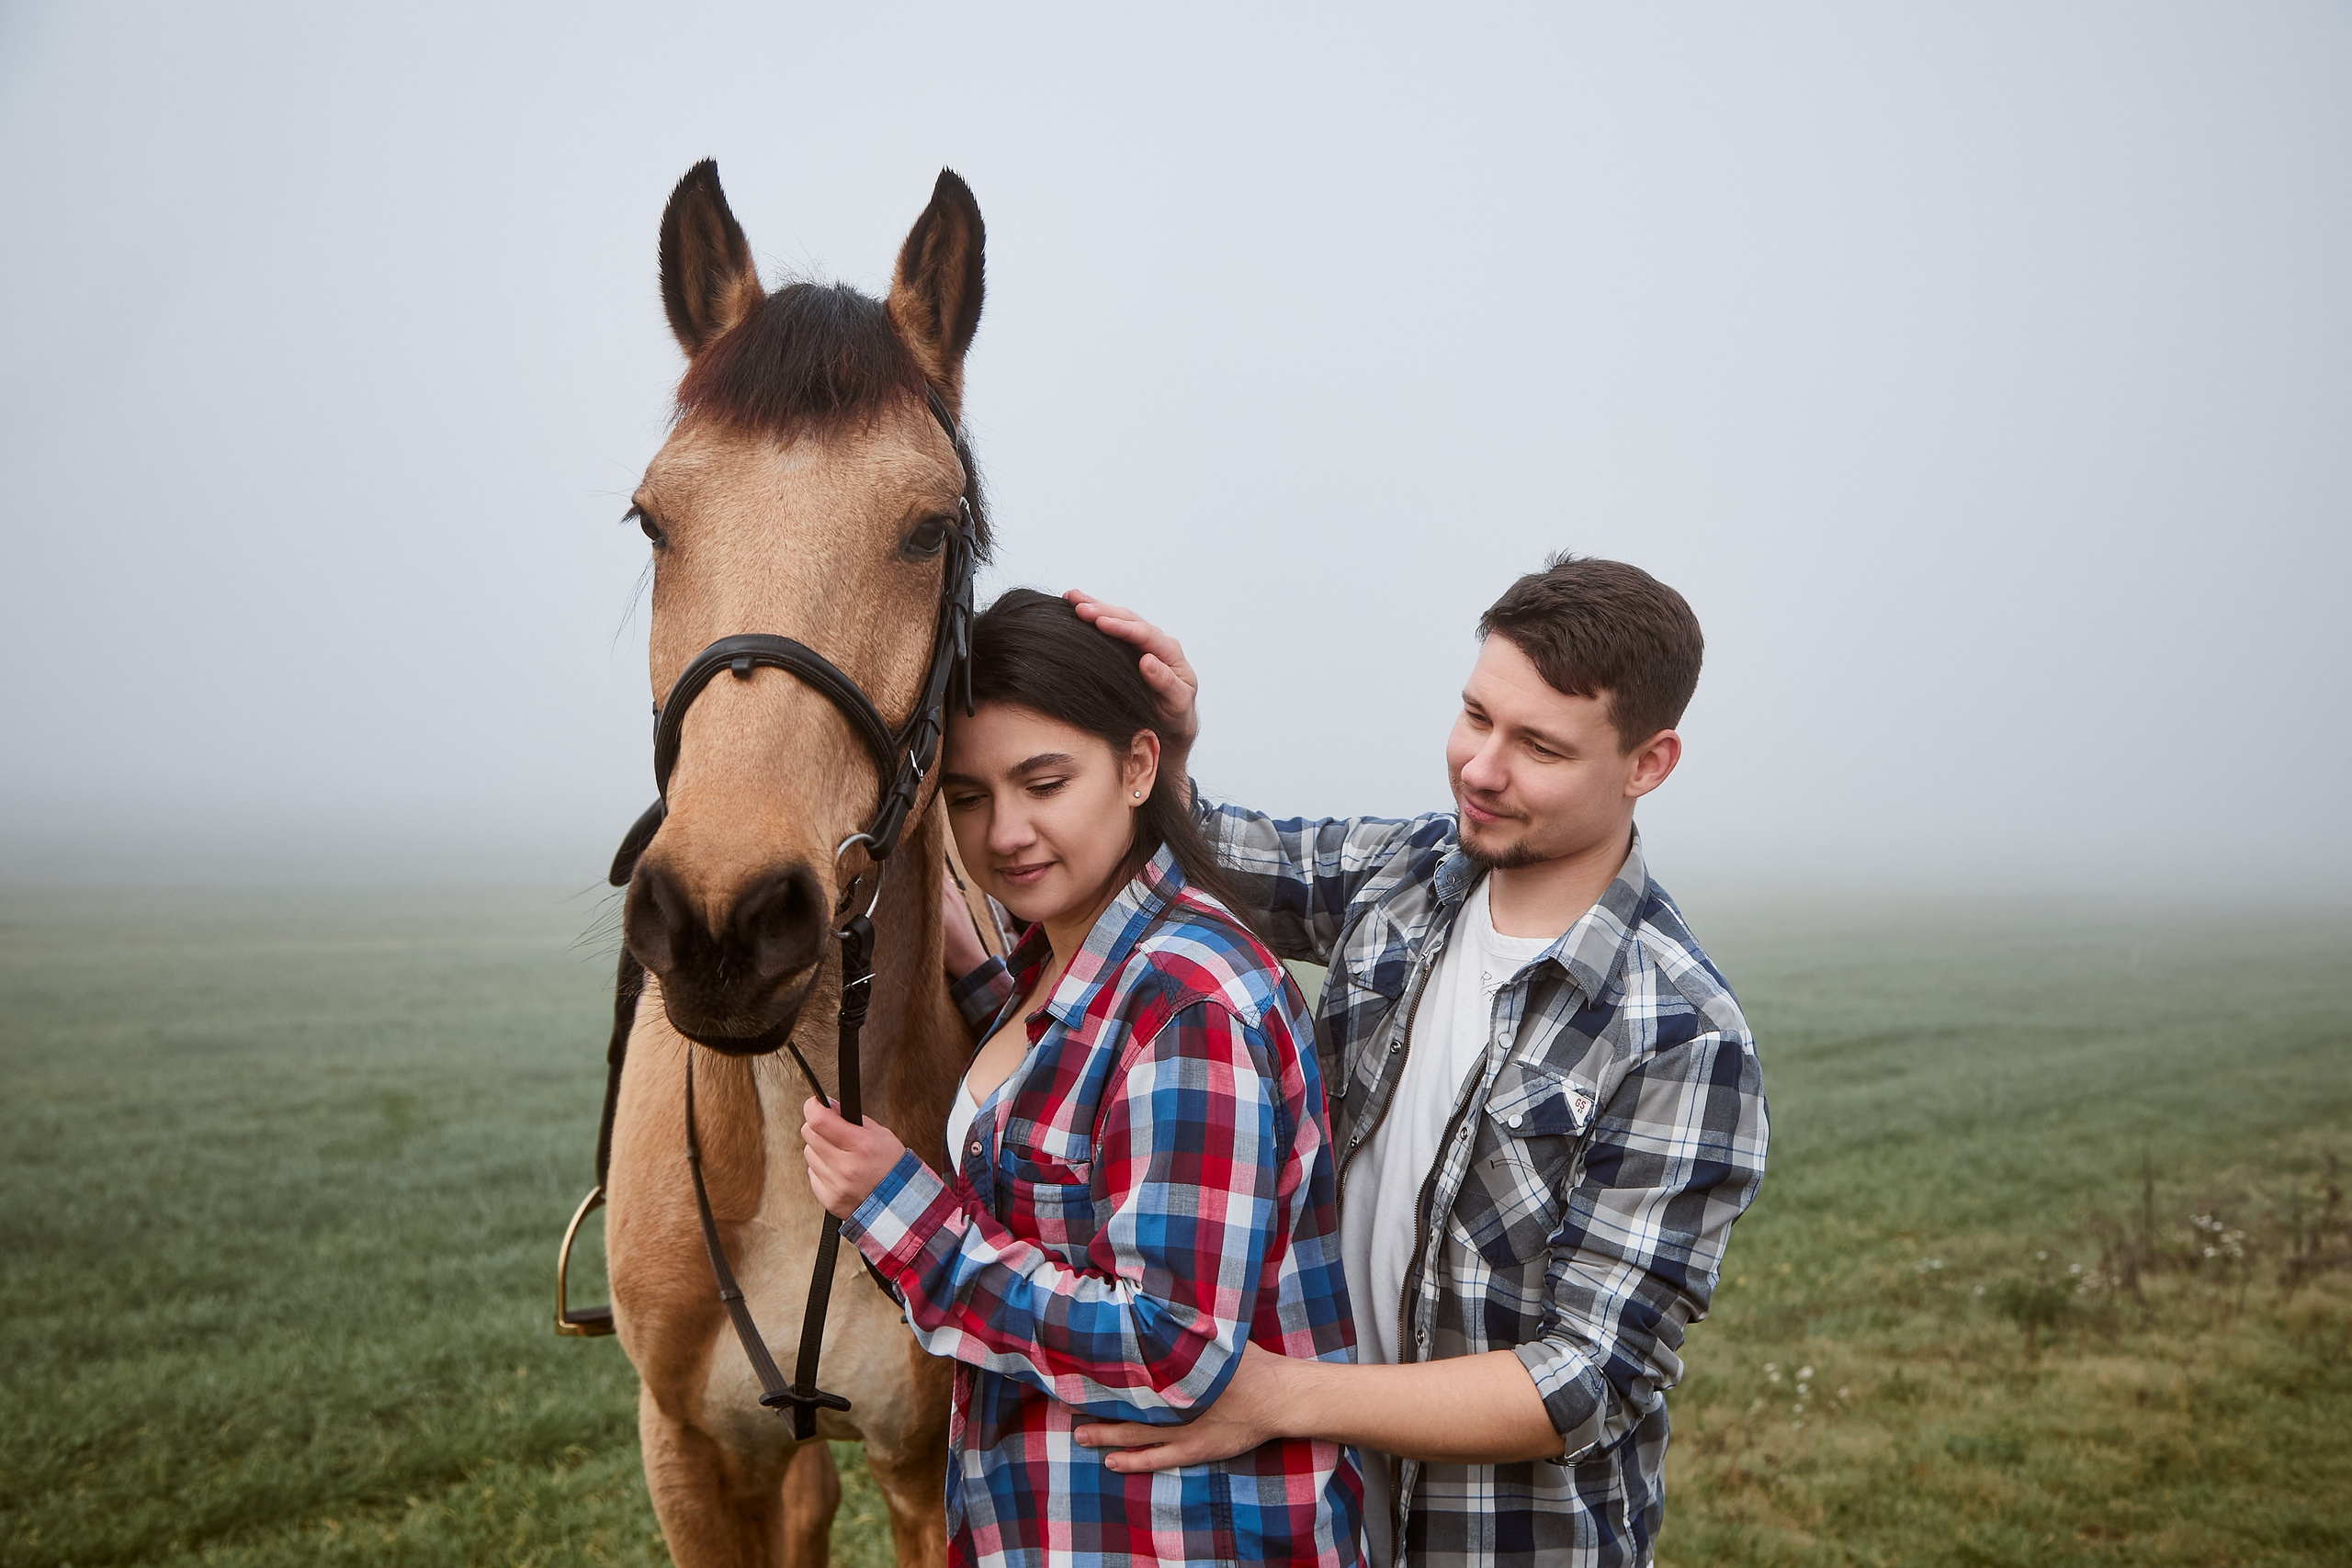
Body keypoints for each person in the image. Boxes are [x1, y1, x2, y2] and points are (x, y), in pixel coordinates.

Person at [1024, 555, 1771, 1568]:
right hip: (1312, 1521)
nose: (1481, 769)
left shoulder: (1682, 1034)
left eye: (1539, 747)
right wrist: (1171, 747)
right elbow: (1193, 851)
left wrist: (1273, 1396)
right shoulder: (1407, 872)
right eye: (1476, 716)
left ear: (1649, 763)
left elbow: (1582, 1378)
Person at [801, 587, 1363, 1568]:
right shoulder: (1066, 968)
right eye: (969, 798)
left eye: (1044, 783)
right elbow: (1078, 1116)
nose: (1005, 832)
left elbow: (1172, 1347)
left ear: (1139, 765)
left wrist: (901, 1211)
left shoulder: (1188, 1004)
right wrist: (983, 981)